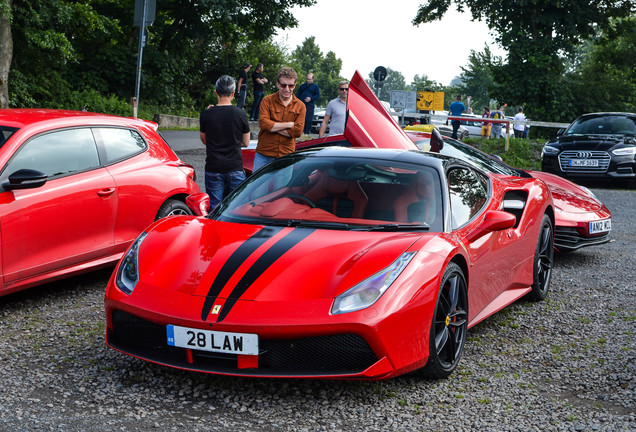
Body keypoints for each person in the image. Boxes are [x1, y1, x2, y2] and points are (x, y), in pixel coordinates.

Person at [199, 75, 250, 208]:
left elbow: (204, 140)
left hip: (213, 166)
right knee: (237, 207)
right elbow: (246, 142)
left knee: (215, 207)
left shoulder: (206, 114)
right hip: (235, 167)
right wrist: (231, 140)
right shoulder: (240, 114)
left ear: (216, 92)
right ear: (233, 93)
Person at [253, 67, 306, 172]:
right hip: (264, 154)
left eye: (290, 85)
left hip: (286, 155)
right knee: (259, 188)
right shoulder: (267, 101)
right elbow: (264, 124)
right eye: (283, 85)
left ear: (295, 85)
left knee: (281, 188)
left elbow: (297, 132)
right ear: (277, 84)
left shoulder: (301, 106)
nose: (287, 89)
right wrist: (289, 124)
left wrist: (273, 127)